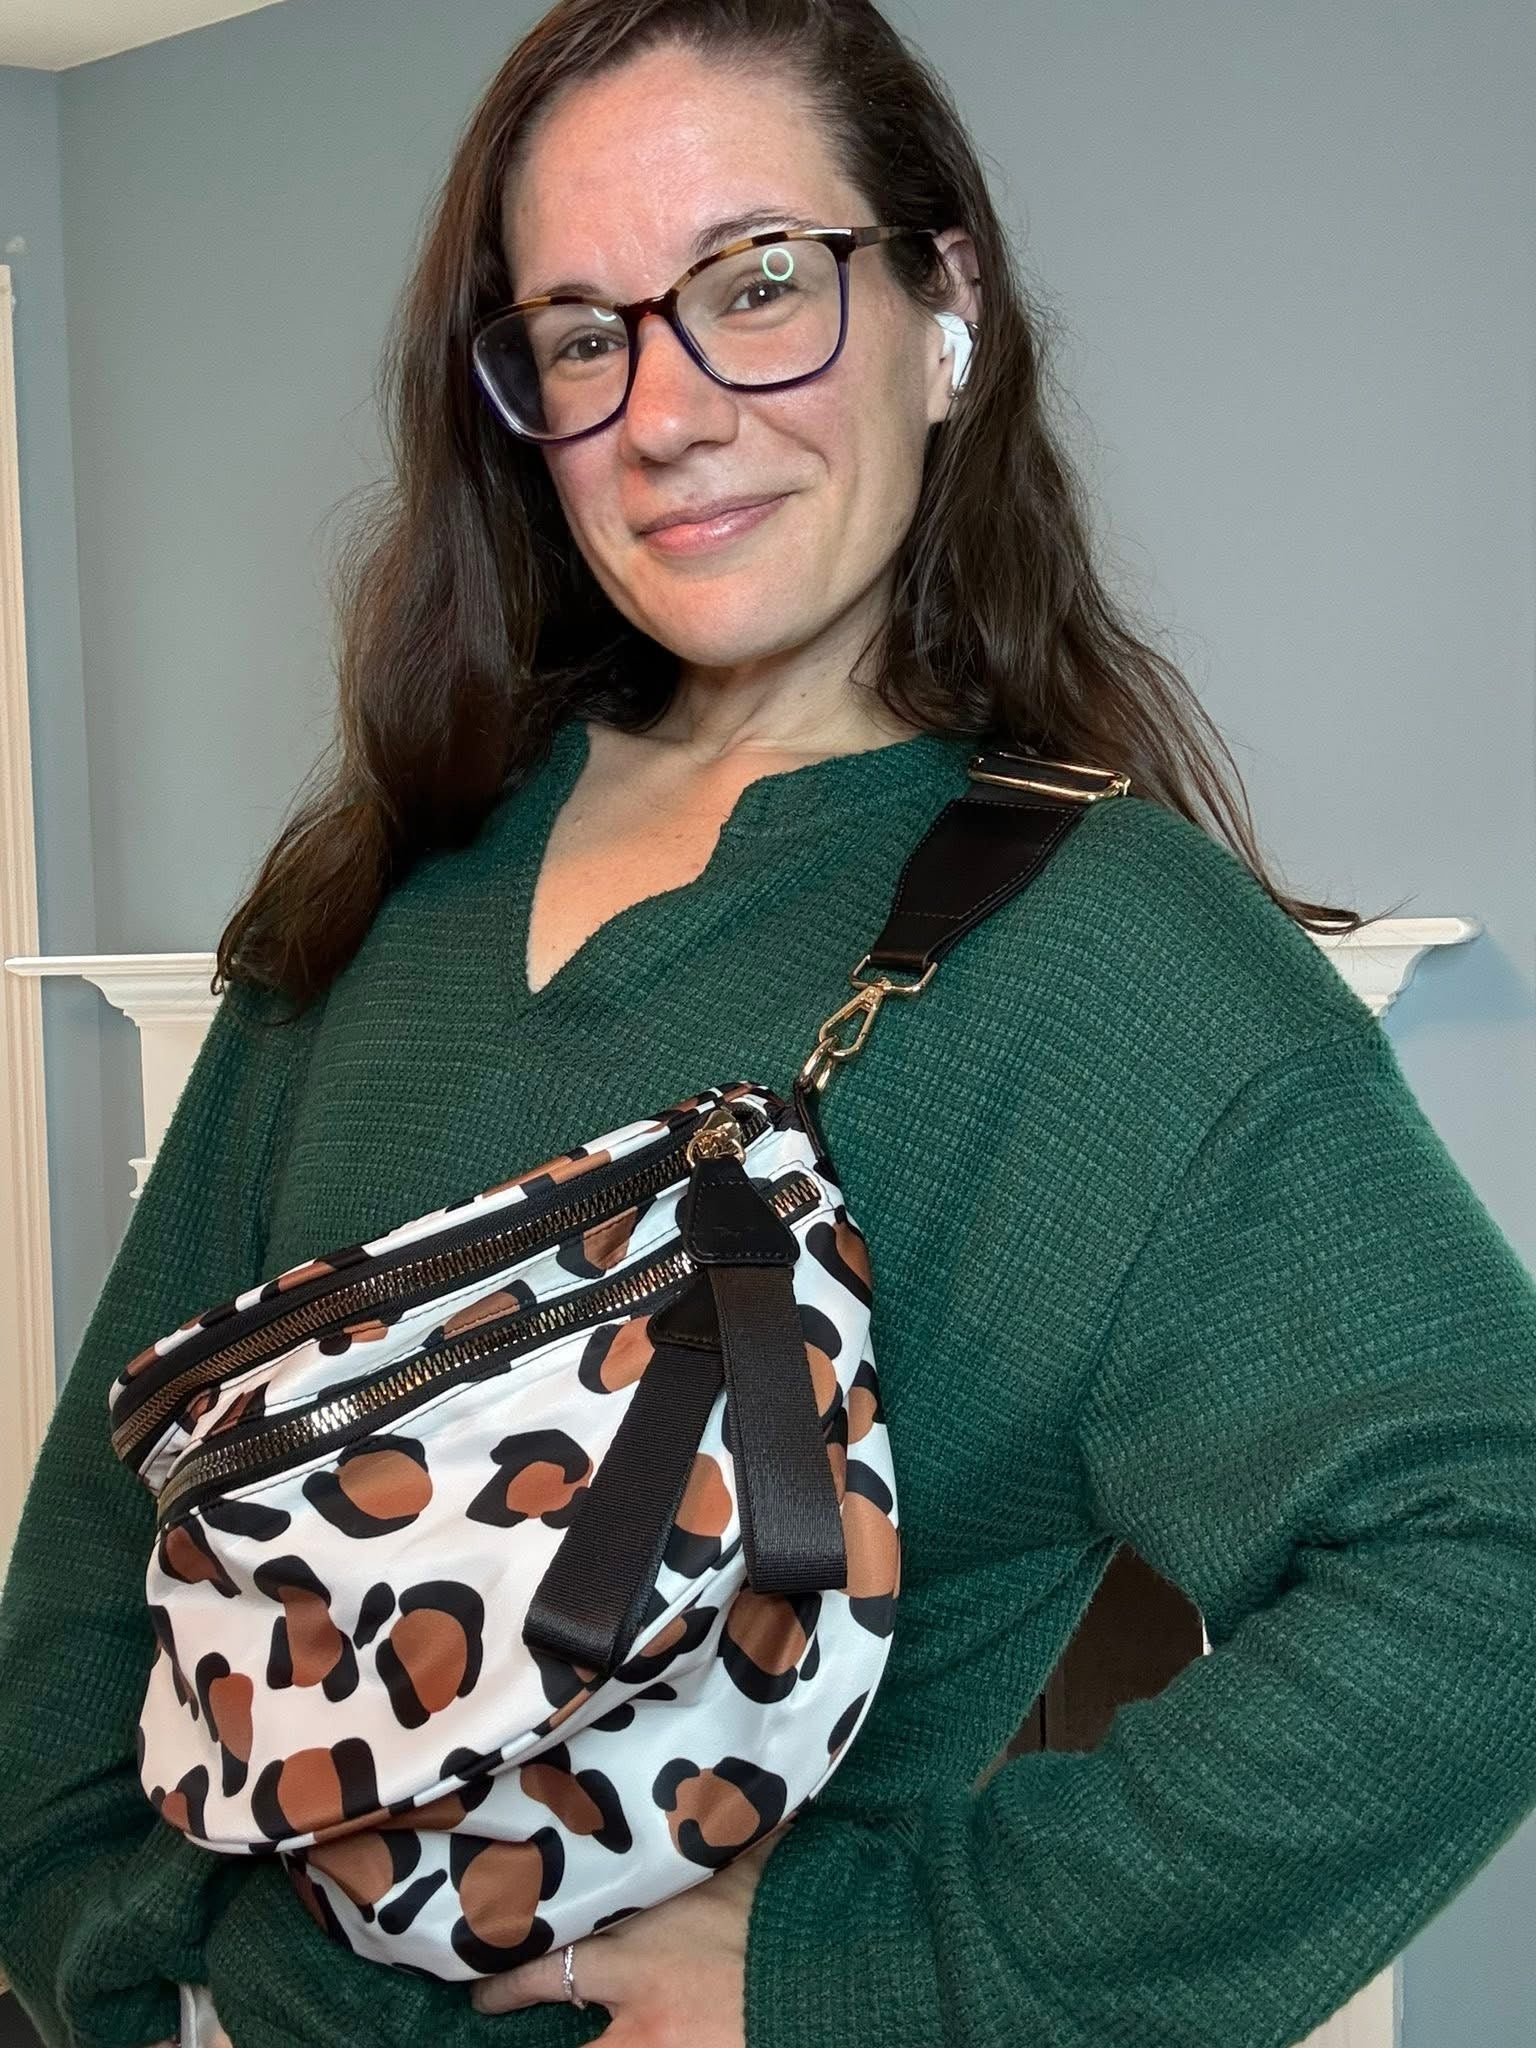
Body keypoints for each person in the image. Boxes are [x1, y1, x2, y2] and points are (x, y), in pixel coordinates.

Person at [3, 1, 1536, 2044]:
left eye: (756, 286)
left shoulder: (1116, 964)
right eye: (582, 334)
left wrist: (877, 1965)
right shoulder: (395, 875)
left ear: (944, 306)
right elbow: (120, 1511)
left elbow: (1491, 1551)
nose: (666, 414)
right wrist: (95, 1949)